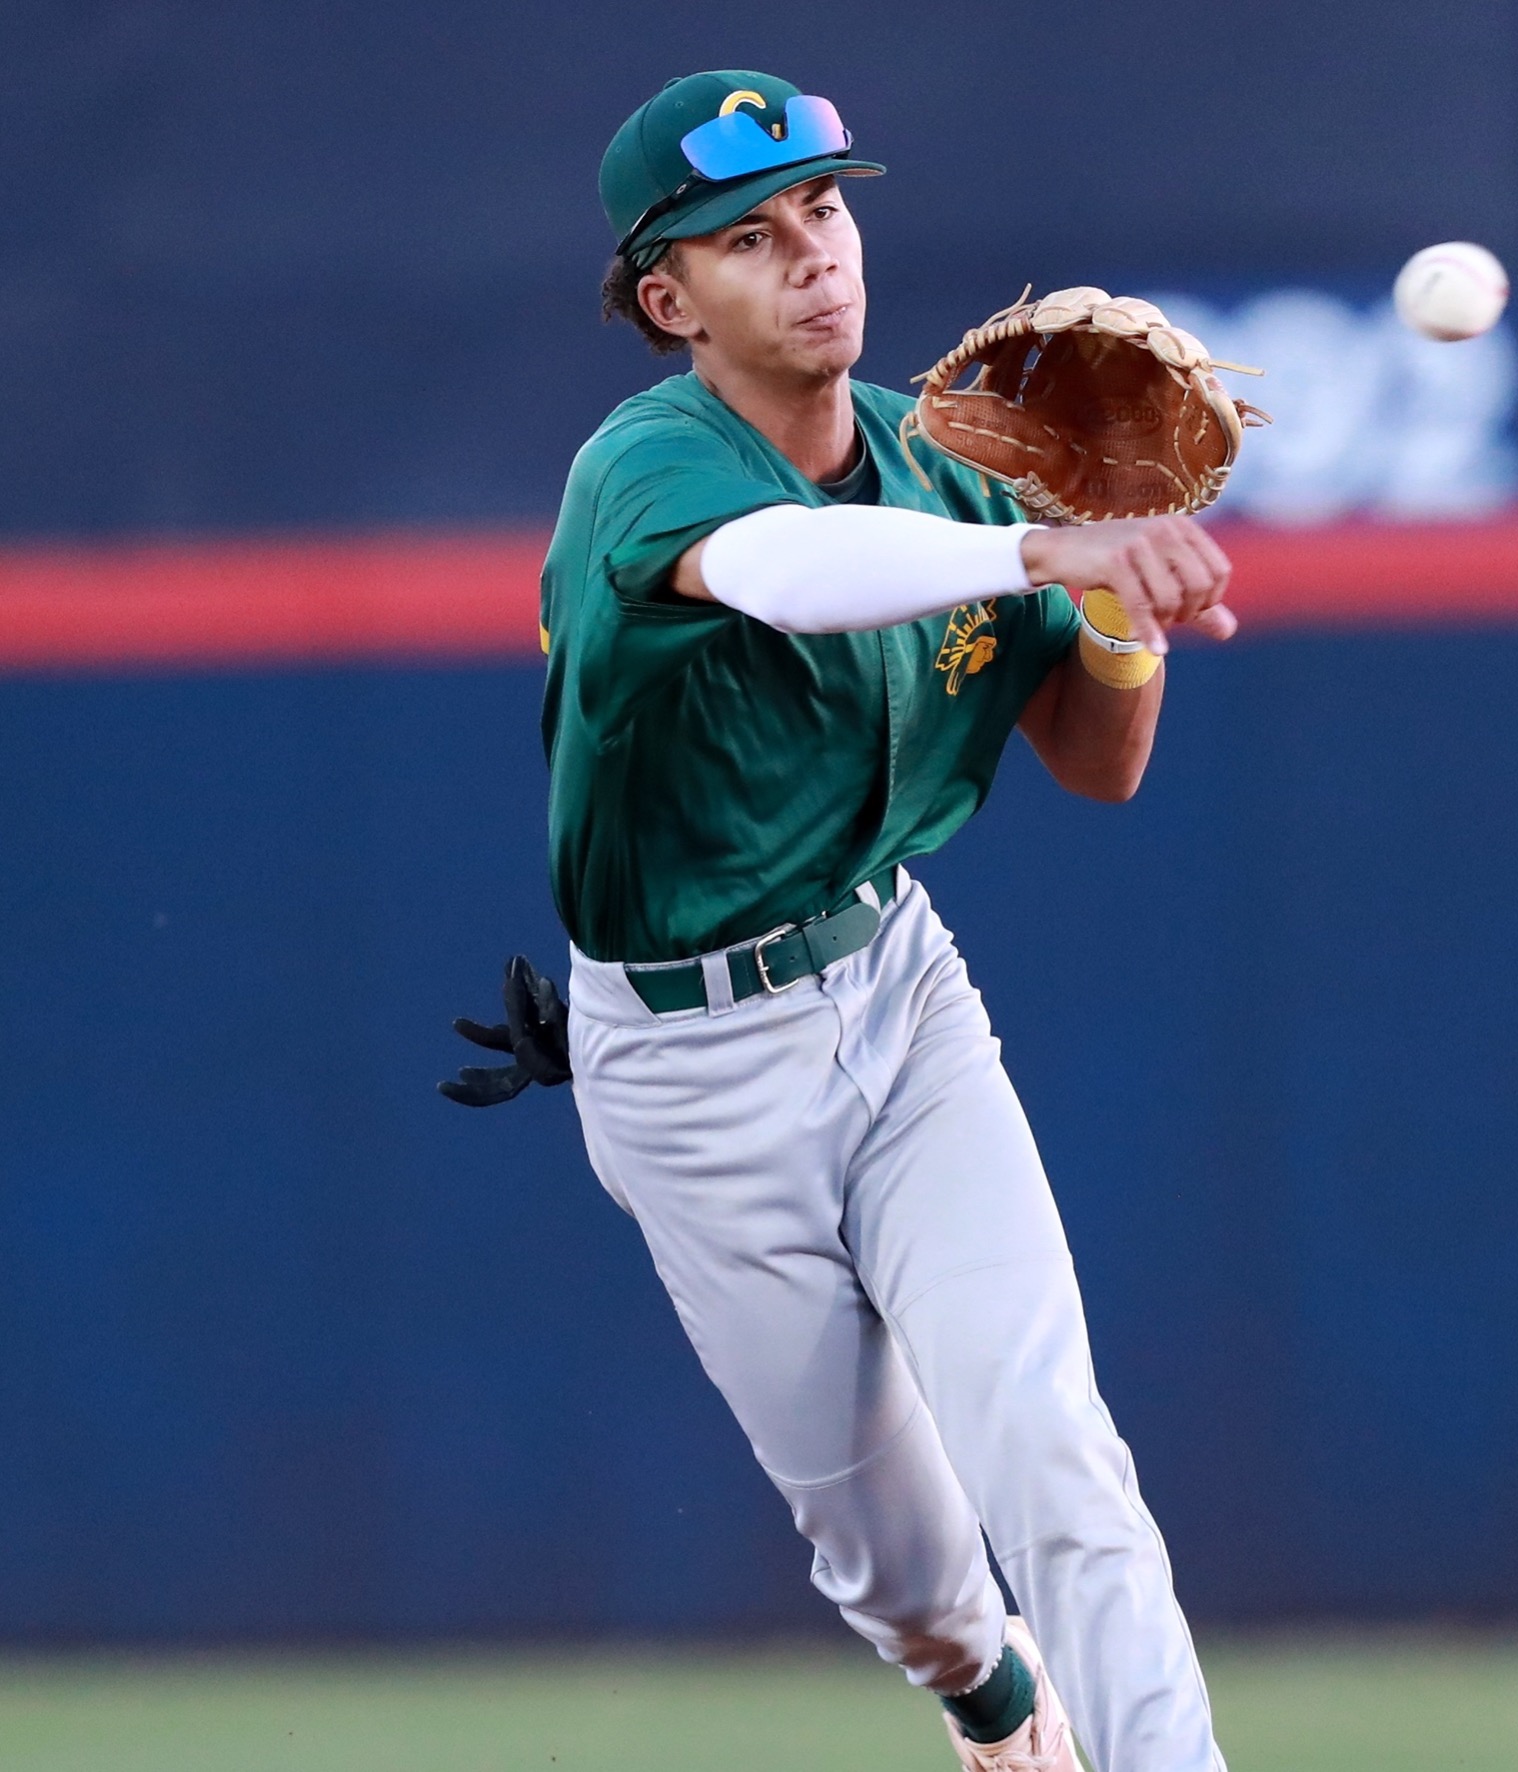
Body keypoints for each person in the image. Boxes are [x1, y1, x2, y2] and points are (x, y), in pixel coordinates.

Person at [491, 68, 1236, 1772]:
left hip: (898, 997)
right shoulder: (648, 466)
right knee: (903, 1571)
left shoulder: (960, 470)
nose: (813, 253)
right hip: (686, 1072)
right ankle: (993, 1704)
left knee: (1056, 1455)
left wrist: (1118, 598)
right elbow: (788, 572)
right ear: (671, 302)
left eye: (823, 209)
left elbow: (1096, 763)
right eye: (749, 238)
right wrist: (1046, 556)